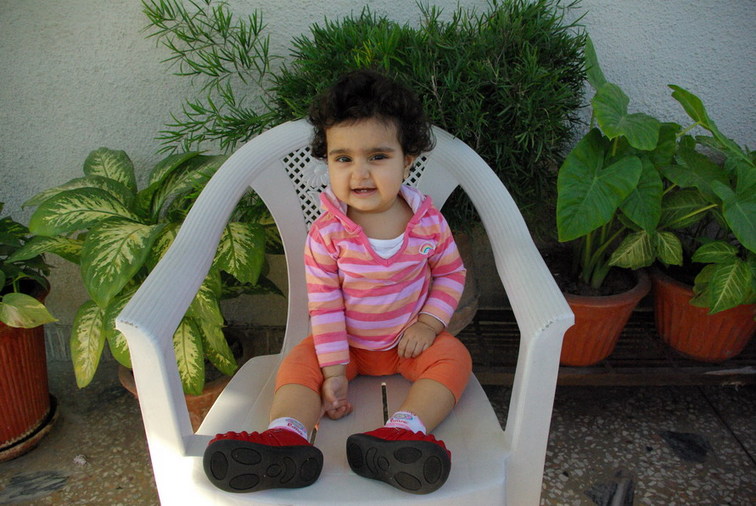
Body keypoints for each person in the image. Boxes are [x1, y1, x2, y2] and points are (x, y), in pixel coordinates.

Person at [203, 69, 472, 496]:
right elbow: (325, 305)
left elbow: (451, 273)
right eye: (343, 158)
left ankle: (404, 431)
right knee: (298, 363)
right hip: (345, 347)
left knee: (455, 358)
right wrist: (332, 371)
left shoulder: (428, 223)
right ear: (327, 161)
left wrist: (428, 324)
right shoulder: (327, 235)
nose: (359, 173)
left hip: (409, 344)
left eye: (378, 157)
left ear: (408, 160)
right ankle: (287, 437)